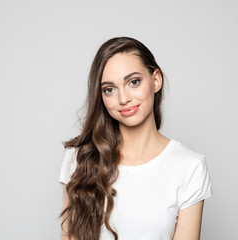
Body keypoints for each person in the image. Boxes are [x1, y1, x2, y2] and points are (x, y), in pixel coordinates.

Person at [58, 36, 213, 240]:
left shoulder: (190, 167)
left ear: (156, 80)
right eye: (110, 89)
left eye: (134, 82)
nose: (123, 99)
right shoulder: (79, 157)